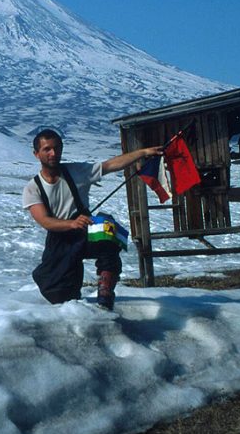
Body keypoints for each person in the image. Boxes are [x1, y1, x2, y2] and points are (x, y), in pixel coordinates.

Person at [22, 129, 162, 309]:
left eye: (57, 148)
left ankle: (105, 291)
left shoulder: (77, 171)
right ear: (36, 154)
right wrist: (71, 223)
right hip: (60, 239)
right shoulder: (32, 188)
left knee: (108, 232)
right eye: (47, 149)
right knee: (59, 294)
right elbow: (45, 221)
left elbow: (111, 165)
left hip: (85, 230)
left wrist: (142, 153)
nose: (53, 154)